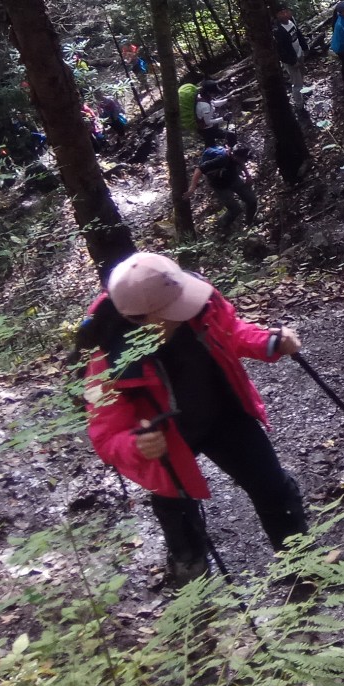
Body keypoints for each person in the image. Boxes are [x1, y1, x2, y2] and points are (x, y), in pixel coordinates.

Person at [80, 252, 307, 589]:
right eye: (175, 306)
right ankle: (193, 597)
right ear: (143, 318)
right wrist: (137, 446)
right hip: (165, 444)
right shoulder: (107, 361)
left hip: (223, 414)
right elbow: (105, 433)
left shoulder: (197, 299)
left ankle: (302, 566)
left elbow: (232, 331)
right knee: (179, 518)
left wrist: (269, 342)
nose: (189, 305)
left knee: (273, 488)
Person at [190, 140, 257, 231]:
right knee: (235, 209)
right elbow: (199, 169)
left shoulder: (236, 156)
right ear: (234, 155)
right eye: (242, 158)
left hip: (233, 179)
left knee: (252, 201)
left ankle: (249, 224)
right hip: (219, 185)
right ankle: (222, 228)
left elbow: (241, 162)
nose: (243, 161)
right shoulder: (221, 159)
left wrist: (248, 176)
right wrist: (192, 187)